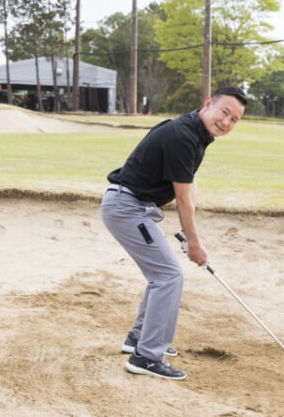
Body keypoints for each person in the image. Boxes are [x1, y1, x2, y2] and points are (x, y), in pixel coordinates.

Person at [100, 86, 247, 380]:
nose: (226, 122)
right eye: (224, 112)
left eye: (234, 119)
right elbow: (181, 200)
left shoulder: (196, 134)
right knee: (169, 275)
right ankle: (147, 357)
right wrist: (194, 243)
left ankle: (138, 339)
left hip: (132, 207)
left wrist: (191, 235)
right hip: (127, 208)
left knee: (163, 274)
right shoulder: (183, 136)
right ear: (208, 103)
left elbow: (189, 187)